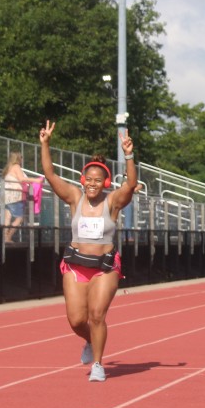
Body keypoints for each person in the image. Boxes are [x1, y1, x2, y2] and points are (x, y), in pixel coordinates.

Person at [39, 121, 138, 382]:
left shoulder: (112, 201)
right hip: (76, 266)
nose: (92, 184)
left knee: (96, 315)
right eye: (89, 180)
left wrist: (128, 155)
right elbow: (50, 174)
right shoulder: (75, 197)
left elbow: (130, 185)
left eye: (98, 181)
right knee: (76, 320)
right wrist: (45, 144)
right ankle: (90, 342)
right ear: (83, 181)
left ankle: (97, 364)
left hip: (104, 267)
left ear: (105, 182)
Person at [2, 152, 43, 244]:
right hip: (16, 196)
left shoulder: (8, 168)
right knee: (19, 219)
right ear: (18, 159)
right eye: (21, 157)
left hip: (7, 196)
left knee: (7, 218)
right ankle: (8, 237)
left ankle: (4, 237)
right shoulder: (16, 167)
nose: (22, 160)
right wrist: (36, 180)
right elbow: (21, 179)